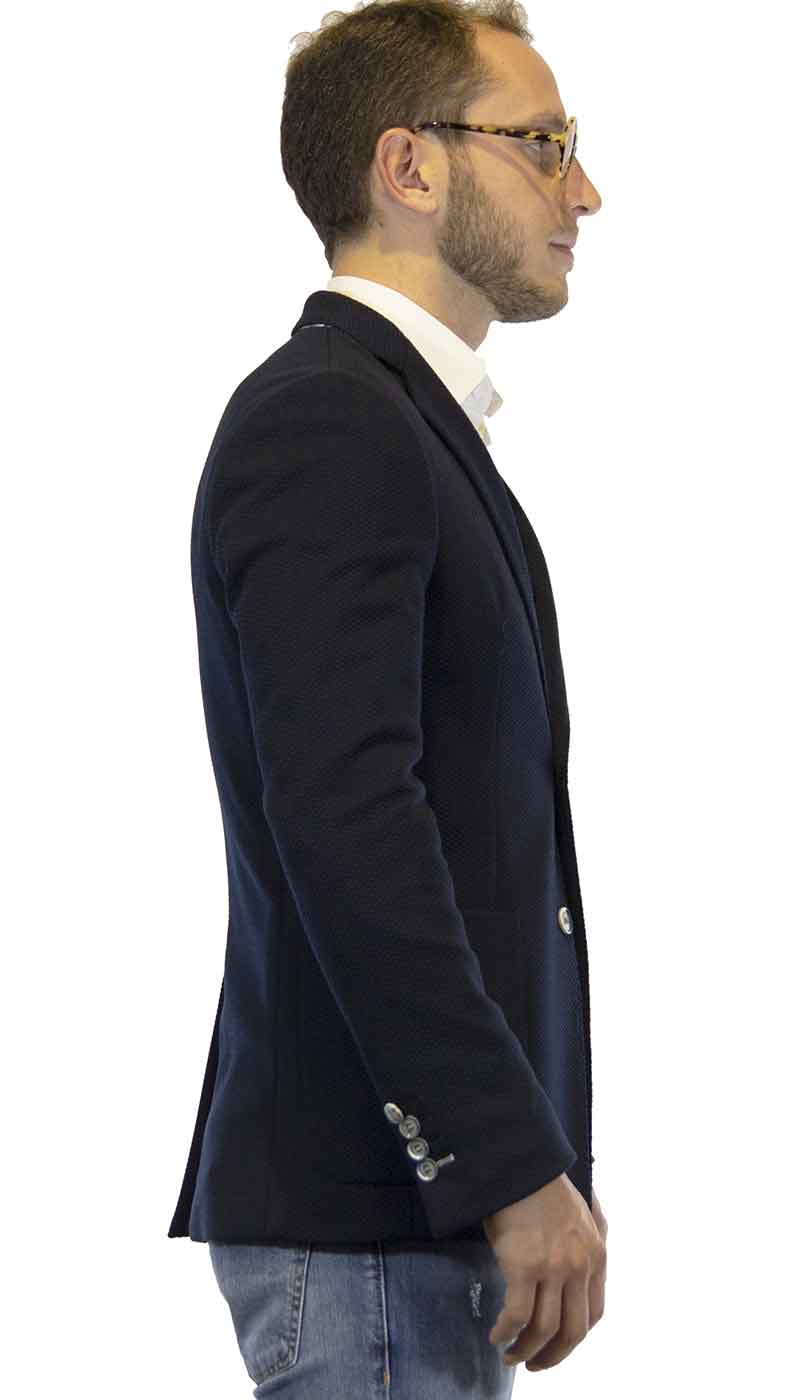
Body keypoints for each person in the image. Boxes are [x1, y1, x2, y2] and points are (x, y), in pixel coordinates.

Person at [167, 1, 607, 1393]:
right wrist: (507, 1156)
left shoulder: (397, 424)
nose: (585, 193)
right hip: (371, 1231)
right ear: (409, 167)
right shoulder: (335, 421)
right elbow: (348, 816)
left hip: (400, 1238)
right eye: (544, 145)